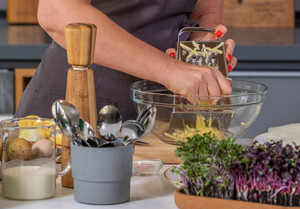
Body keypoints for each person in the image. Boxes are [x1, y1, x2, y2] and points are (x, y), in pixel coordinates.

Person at [15, 0, 237, 120]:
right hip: (79, 106)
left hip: (159, 113)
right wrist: (169, 69)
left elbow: (202, 14)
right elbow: (56, 10)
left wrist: (203, 54)